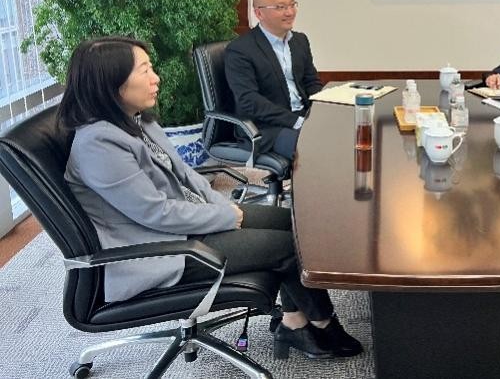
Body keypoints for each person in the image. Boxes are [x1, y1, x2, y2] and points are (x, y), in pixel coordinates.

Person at [58, 37, 361, 360]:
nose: (156, 78)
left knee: (294, 222)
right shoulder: (99, 145)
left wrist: (221, 206)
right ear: (112, 82)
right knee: (287, 246)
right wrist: (228, 217)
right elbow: (156, 214)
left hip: (185, 224)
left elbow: (186, 176)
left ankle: (294, 321)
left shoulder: (136, 119)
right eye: (144, 70)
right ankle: (323, 324)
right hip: (159, 250)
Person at [225, 0, 322, 159]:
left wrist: (323, 110)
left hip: (302, 115)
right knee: (315, 146)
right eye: (280, 7)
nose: (290, 12)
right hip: (265, 126)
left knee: (347, 133)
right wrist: (297, 122)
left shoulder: (300, 41)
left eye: (292, 5)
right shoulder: (240, 50)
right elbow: (249, 100)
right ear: (259, 13)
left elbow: (311, 82)